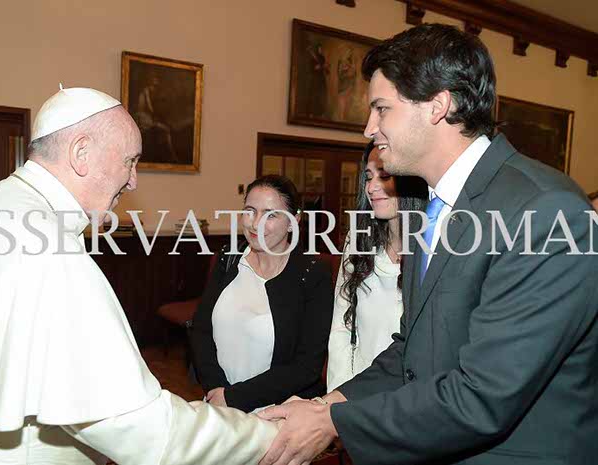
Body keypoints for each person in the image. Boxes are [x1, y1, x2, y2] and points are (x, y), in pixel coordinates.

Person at [258, 23, 598, 465]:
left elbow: (483, 396)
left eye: (381, 109)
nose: (368, 129)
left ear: (438, 105)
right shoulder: (425, 207)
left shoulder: (547, 211)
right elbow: (412, 350)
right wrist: (327, 405)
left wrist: (333, 423)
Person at [0, 87, 278, 465]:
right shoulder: (43, 242)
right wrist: (266, 436)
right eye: (130, 161)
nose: (133, 181)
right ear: (81, 153)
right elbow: (139, 429)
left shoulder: (4, 204)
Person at [191, 175, 334, 413]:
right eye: (250, 211)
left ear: (293, 221)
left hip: (274, 415)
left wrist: (233, 398)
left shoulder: (312, 275)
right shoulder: (229, 258)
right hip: (219, 405)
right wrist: (216, 390)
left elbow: (306, 367)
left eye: (271, 215)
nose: (256, 223)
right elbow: (201, 329)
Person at [327, 142, 426, 392]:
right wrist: (336, 398)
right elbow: (341, 328)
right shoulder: (358, 241)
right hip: (355, 394)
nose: (371, 187)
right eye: (368, 177)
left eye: (384, 175)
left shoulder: (432, 249)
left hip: (409, 399)